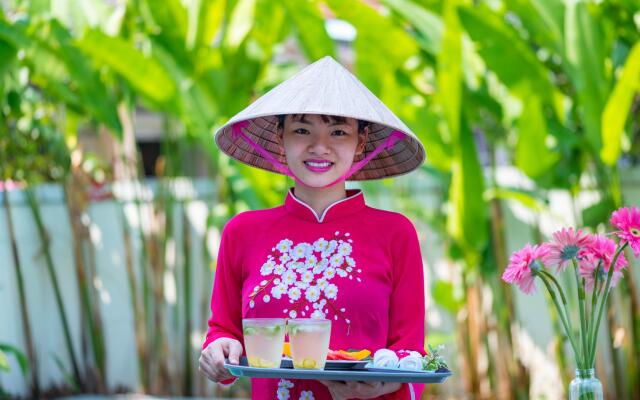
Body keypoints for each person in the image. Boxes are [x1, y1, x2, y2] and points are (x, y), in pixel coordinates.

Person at [199, 56, 427, 399]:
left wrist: (383, 384)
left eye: (338, 132)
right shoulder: (242, 232)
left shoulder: (396, 233)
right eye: (302, 130)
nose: (319, 147)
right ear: (280, 137)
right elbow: (224, 331)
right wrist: (218, 351)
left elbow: (410, 354)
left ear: (360, 142)